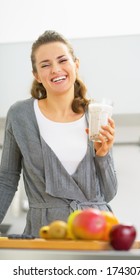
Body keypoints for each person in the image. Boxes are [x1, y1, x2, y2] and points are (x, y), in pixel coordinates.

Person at [0, 30, 117, 237]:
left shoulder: (96, 114)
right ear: (37, 75)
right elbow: (7, 178)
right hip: (44, 232)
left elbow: (109, 193)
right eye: (45, 65)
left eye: (62, 60)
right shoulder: (20, 115)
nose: (55, 69)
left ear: (76, 64)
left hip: (96, 233)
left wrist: (103, 156)